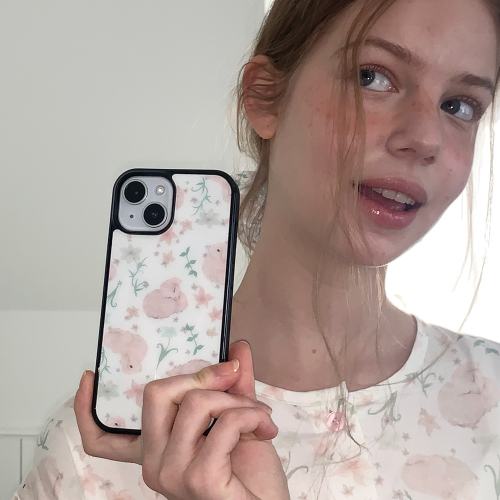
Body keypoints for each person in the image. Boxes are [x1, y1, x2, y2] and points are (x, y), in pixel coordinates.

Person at [12, 0, 500, 498]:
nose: (425, 138)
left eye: (460, 106)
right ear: (265, 97)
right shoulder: (93, 453)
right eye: (372, 77)